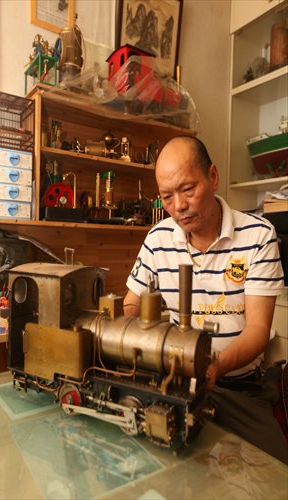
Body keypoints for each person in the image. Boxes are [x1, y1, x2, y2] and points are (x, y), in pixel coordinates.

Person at [124, 136, 288, 464]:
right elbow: (130, 306)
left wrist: (215, 367)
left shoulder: (258, 236)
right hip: (169, 385)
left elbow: (257, 329)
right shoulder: (158, 239)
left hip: (236, 387)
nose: (178, 207)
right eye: (167, 197)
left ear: (212, 177)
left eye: (187, 190)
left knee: (273, 469)